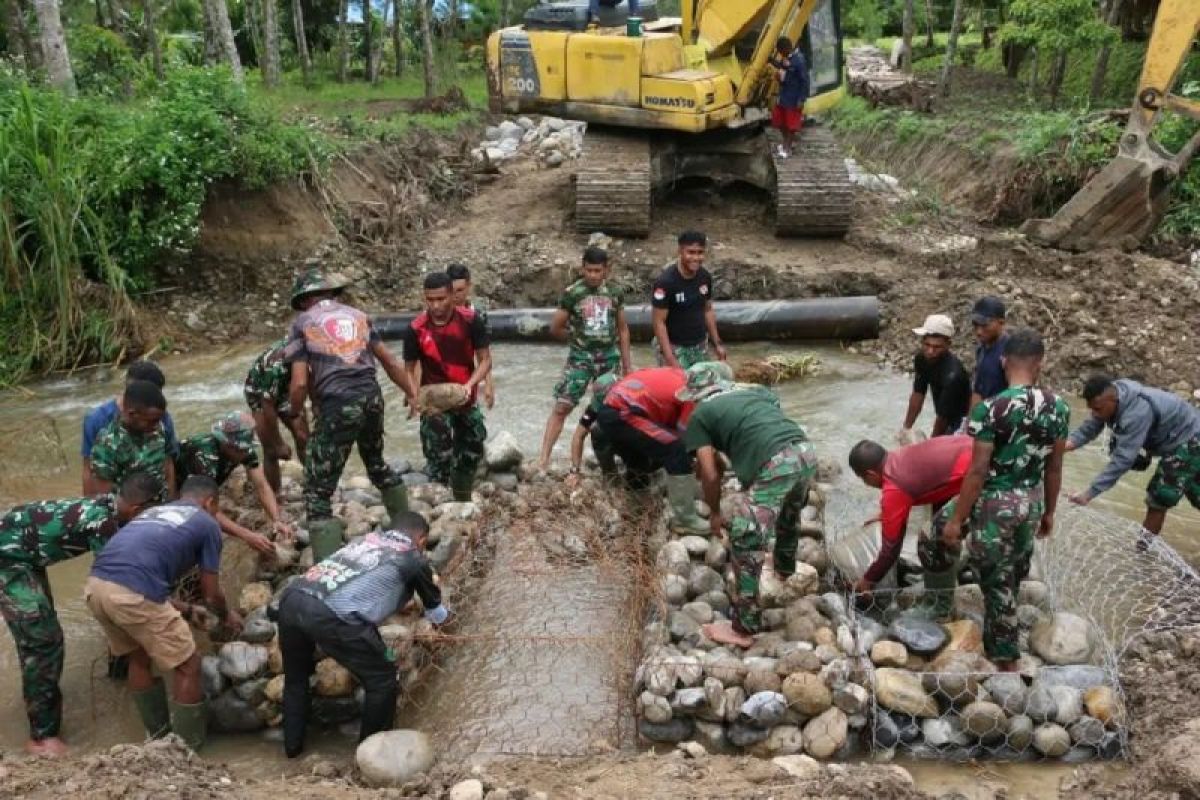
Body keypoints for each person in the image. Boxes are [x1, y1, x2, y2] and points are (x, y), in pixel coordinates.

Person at [929, 329, 1067, 669]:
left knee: (996, 583)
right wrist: (1048, 511)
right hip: (1031, 501)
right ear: (1040, 364)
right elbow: (1055, 469)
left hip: (995, 504)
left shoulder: (991, 409)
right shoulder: (1059, 408)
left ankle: (1004, 661)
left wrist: (957, 520)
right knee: (1012, 572)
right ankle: (1000, 639)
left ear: (1004, 362)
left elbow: (977, 472)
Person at [0, 473, 159, 757]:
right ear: (137, 510)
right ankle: (41, 738)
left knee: (45, 627)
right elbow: (112, 586)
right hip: (7, 558)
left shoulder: (111, 506)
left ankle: (117, 672)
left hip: (23, 550)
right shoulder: (104, 524)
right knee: (43, 640)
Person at [85, 476, 243, 750]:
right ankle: (186, 752)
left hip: (95, 587)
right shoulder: (207, 523)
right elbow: (210, 593)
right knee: (188, 665)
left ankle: (157, 739)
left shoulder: (153, 513)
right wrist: (226, 616)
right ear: (210, 502)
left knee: (140, 656)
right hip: (131, 593)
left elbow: (138, 574)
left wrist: (186, 609)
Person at [276, 511, 449, 758]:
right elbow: (436, 612)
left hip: (294, 598)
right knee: (384, 677)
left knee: (296, 679)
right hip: (335, 616)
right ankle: (369, 759)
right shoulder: (413, 559)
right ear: (421, 541)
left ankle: (291, 751)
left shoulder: (366, 541)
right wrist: (450, 623)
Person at [284, 268, 418, 562]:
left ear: (303, 299)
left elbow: (300, 382)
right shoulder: (359, 316)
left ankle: (327, 575)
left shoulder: (302, 323)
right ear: (331, 294)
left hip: (337, 404)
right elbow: (390, 361)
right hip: (372, 398)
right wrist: (412, 393)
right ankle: (409, 537)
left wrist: (294, 411)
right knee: (377, 464)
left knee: (318, 492)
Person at [680, 363, 816, 648]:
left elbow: (709, 473)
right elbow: (765, 418)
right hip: (804, 451)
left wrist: (715, 512)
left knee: (745, 539)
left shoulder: (701, 416)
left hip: (775, 464)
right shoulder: (757, 393)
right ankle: (784, 569)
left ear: (695, 395)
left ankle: (743, 628)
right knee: (789, 513)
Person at [1066, 374, 1200, 540]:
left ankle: (1142, 555)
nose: (1095, 414)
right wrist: (1063, 446)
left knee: (1159, 497)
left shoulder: (1136, 413)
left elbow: (1122, 461)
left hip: (1189, 439)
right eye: (1092, 409)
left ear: (1113, 400)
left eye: (1098, 409)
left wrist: (1088, 494)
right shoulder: (1110, 397)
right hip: (1182, 433)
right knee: (1196, 492)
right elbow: (1088, 429)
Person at [848, 437, 973, 605]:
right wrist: (888, 513)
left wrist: (868, 581)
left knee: (929, 542)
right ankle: (957, 568)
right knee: (940, 519)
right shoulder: (899, 456)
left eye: (863, 479)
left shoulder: (894, 487)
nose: (866, 484)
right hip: (981, 453)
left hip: (984, 478)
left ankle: (940, 606)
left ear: (871, 474)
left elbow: (890, 551)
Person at [537, 247, 632, 468]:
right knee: (562, 406)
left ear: (606, 270)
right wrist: (576, 341)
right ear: (582, 268)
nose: (592, 275)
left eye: (597, 270)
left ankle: (613, 457)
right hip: (580, 359)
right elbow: (556, 327)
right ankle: (544, 458)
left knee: (612, 409)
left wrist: (627, 367)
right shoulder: (573, 293)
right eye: (588, 270)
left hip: (609, 359)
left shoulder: (615, 293)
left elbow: (623, 329)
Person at [585, 367, 708, 533]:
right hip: (623, 413)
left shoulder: (676, 373)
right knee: (676, 448)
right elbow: (684, 434)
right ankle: (684, 519)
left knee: (639, 458)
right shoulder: (691, 393)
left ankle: (636, 504)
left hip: (615, 410)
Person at [403, 272, 493, 500]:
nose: (435, 305)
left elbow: (485, 360)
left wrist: (470, 385)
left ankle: (462, 496)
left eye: (441, 299)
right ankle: (439, 500)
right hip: (434, 401)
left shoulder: (471, 320)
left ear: (453, 295)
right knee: (438, 454)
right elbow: (409, 369)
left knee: (472, 448)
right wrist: (412, 395)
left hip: (465, 395)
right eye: (430, 300)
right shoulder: (415, 329)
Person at [174, 412, 294, 556]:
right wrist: (247, 535)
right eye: (238, 449)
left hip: (201, 487)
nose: (244, 454)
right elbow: (204, 507)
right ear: (226, 443)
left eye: (244, 449)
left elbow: (262, 485)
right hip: (174, 487)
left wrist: (277, 519)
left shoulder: (243, 450)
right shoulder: (205, 456)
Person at [82, 361, 179, 494]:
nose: (155, 425)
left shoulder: (160, 418)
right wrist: (89, 507)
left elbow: (169, 463)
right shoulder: (98, 421)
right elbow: (89, 471)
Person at [651, 231, 725, 371]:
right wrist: (670, 359)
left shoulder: (704, 277)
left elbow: (707, 310)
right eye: (690, 252)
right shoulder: (665, 282)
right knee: (677, 389)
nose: (696, 258)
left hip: (699, 345)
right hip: (675, 346)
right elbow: (658, 322)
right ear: (680, 251)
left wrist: (718, 343)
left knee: (703, 387)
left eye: (700, 252)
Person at [244, 337, 308, 495]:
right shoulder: (277, 365)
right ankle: (275, 494)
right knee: (271, 449)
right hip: (259, 393)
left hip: (287, 389)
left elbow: (310, 383)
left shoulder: (315, 350)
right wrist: (278, 442)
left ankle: (315, 484)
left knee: (304, 438)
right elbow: (268, 405)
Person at [903, 314, 972, 437]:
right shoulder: (921, 359)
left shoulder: (953, 375)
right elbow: (918, 393)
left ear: (948, 344)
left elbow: (943, 418)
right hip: (942, 413)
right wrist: (906, 428)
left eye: (937, 347)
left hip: (961, 422)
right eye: (927, 345)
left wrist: (932, 442)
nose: (930, 351)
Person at [446, 263, 496, 411]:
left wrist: (488, 384)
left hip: (467, 376)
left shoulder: (478, 315)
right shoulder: (438, 314)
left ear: (469, 286)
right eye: (452, 291)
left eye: (460, 290)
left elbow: (484, 354)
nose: (456, 296)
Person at [767, 36, 809, 158]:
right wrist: (771, 61)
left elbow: (804, 81)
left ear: (786, 48)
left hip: (794, 97)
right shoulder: (788, 59)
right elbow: (782, 67)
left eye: (780, 51)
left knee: (791, 124)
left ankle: (787, 148)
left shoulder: (799, 61)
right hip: (784, 95)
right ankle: (786, 143)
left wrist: (801, 99)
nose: (780, 54)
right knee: (778, 121)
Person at [970, 295, 1009, 410]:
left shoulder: (1009, 352)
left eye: (984, 325)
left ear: (1001, 322)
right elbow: (978, 390)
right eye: (975, 325)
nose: (979, 331)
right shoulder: (981, 350)